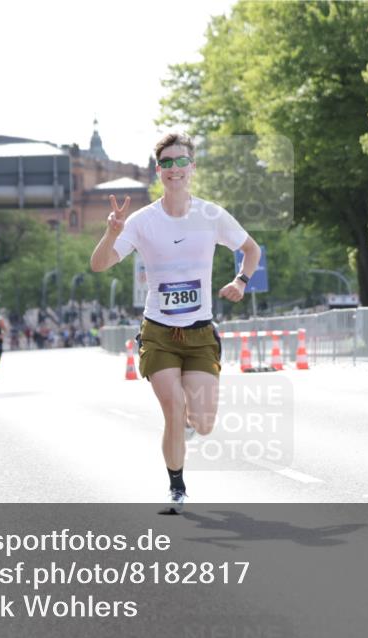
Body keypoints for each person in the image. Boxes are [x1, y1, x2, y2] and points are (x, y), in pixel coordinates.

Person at [89, 132, 260, 513]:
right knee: (173, 405)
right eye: (167, 163)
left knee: (202, 423)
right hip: (159, 332)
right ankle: (177, 488)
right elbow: (99, 264)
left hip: (200, 332)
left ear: (192, 167)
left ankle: (184, 431)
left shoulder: (211, 215)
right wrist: (111, 232)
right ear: (159, 170)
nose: (174, 169)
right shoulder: (141, 221)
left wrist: (240, 281)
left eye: (181, 161)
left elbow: (251, 249)